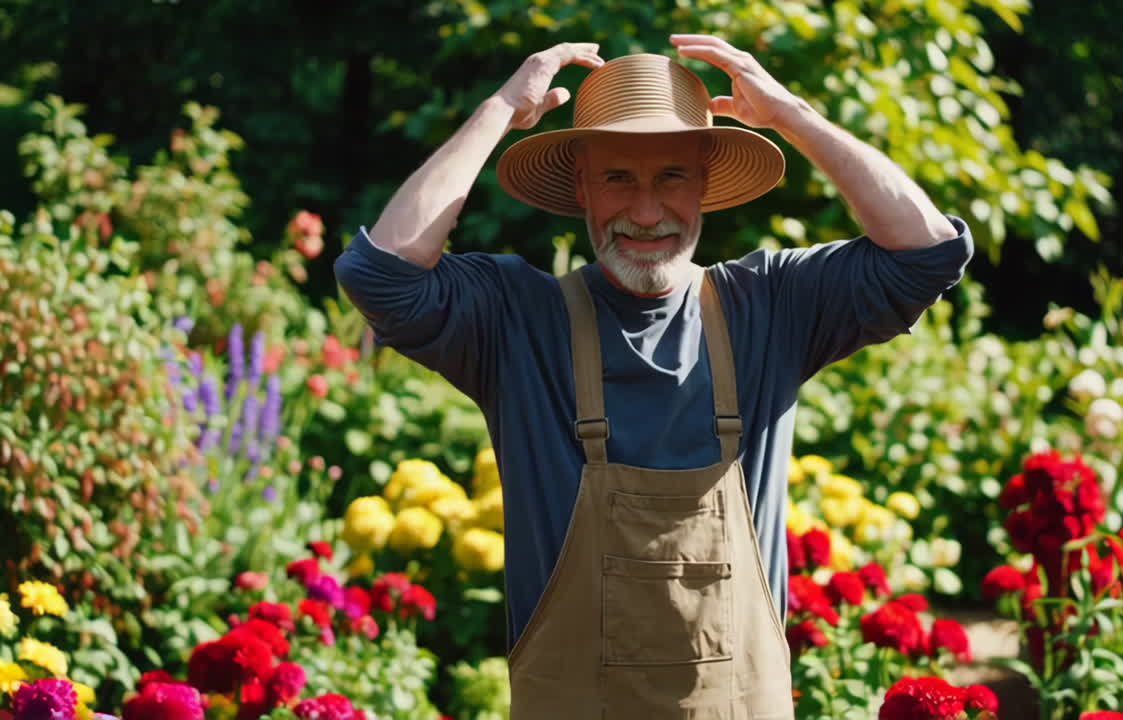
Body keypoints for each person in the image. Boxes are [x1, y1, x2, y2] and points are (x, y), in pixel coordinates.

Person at [334, 35, 973, 719]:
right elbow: (382, 274)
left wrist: (790, 113)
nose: (646, 213)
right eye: (617, 178)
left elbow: (927, 252)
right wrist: (498, 109)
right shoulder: (517, 321)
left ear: (706, 182)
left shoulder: (773, 307)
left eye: (671, 176)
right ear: (580, 185)